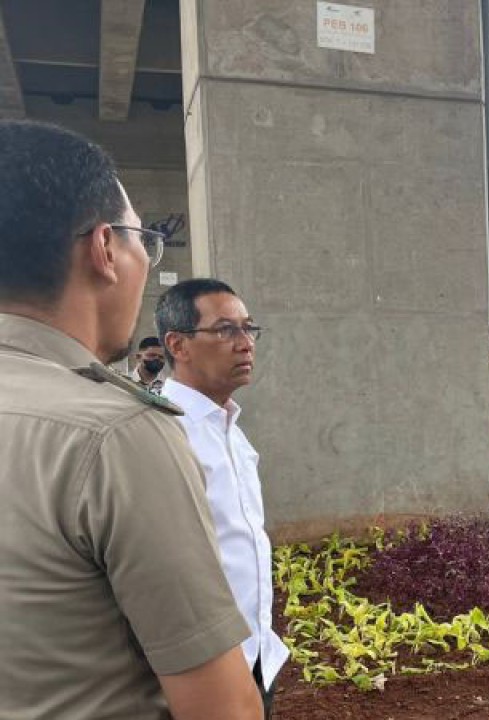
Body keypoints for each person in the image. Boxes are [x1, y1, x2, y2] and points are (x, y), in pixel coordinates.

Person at [0, 121, 262, 719]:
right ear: (103, 249)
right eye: (144, 238)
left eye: (249, 328)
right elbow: (221, 710)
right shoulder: (118, 436)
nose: (245, 342)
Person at [158, 279, 287, 717]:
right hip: (203, 672)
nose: (245, 343)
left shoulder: (231, 429)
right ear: (179, 344)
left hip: (255, 655)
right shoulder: (164, 434)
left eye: (249, 329)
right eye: (226, 330)